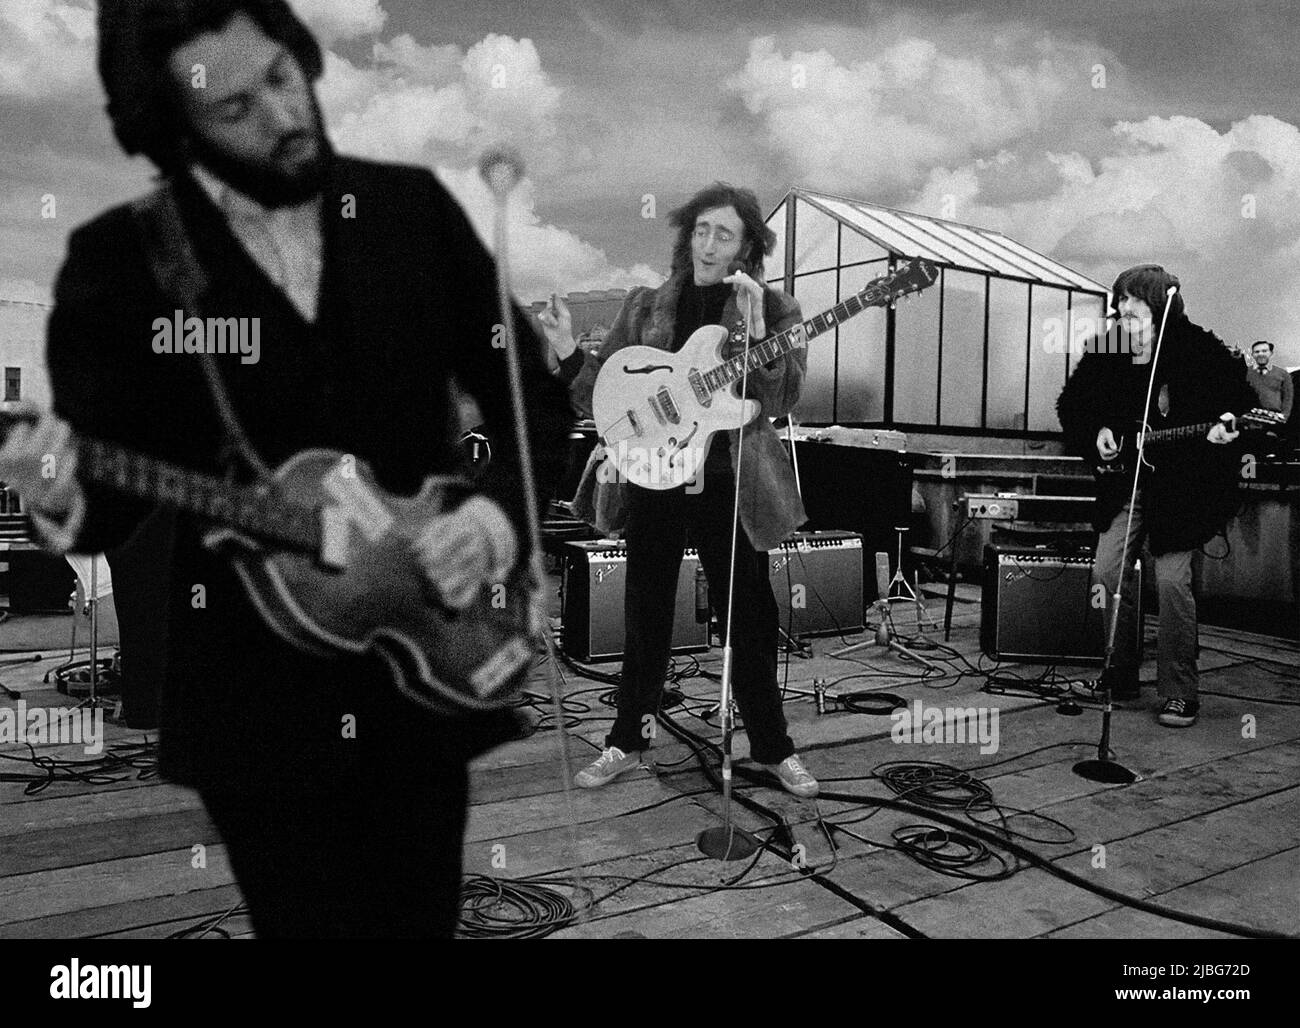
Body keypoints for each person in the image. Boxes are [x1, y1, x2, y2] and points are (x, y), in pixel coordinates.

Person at [0, 0, 571, 937]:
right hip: (255, 699)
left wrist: (495, 521)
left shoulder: (410, 211)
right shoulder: (123, 263)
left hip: (424, 657)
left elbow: (530, 400)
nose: (282, 116)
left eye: (279, 76)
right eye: (232, 109)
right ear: (170, 127)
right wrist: (57, 486)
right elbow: (104, 497)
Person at [541, 182, 819, 796]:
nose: (708, 242)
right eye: (700, 230)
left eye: (724, 233)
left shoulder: (777, 311)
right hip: (655, 475)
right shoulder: (644, 306)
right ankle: (626, 739)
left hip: (731, 481)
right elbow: (602, 396)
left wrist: (750, 333)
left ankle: (773, 749)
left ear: (748, 246)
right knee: (645, 611)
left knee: (748, 615)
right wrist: (565, 351)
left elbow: (782, 397)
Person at [1057, 265, 1254, 727]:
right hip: (1125, 485)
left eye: (1136, 300)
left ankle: (1180, 691)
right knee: (1106, 574)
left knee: (1171, 583)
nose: (1126, 310)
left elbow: (1239, 403)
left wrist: (1228, 431)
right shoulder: (1108, 348)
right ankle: (1119, 674)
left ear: (1162, 304)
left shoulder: (1196, 346)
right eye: (1121, 300)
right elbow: (1072, 405)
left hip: (1180, 493)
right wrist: (1097, 430)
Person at [1245, 341, 1292, 423]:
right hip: (1251, 418)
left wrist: (1285, 416)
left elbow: (1288, 398)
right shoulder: (1246, 372)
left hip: (1274, 419)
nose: (1260, 354)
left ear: (1271, 353)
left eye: (1264, 351)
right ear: (1252, 354)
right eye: (1257, 352)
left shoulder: (1283, 374)